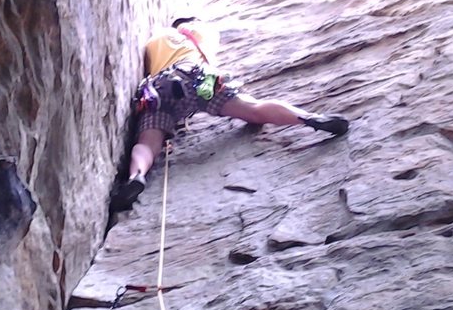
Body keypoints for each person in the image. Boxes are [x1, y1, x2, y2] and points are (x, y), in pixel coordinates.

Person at [111, 16, 349, 211]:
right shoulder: (196, 32)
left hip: (158, 90)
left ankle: (136, 176)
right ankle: (307, 118)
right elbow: (206, 50)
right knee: (254, 109)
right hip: (198, 77)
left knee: (148, 142)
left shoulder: (154, 41)